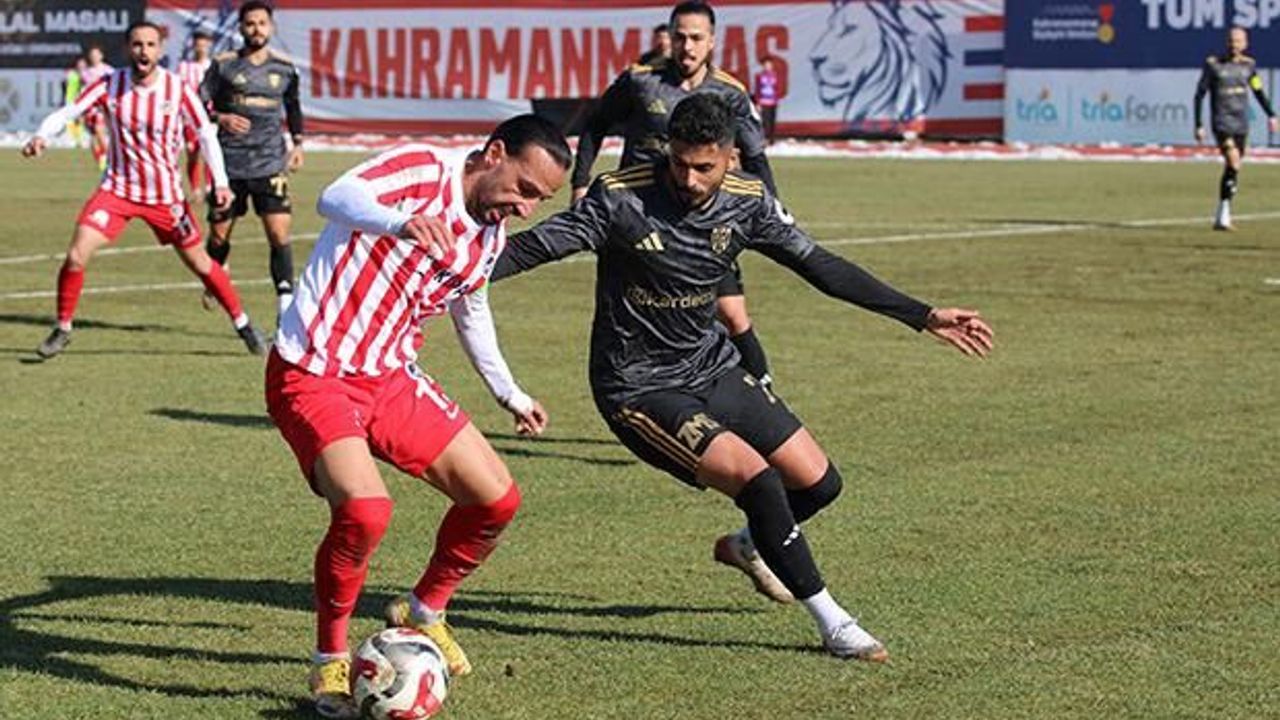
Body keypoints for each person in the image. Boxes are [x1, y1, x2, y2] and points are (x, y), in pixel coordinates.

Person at [491, 94, 993, 661]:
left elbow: (819, 265)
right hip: (638, 386)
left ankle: (751, 544)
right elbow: (536, 247)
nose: (688, 178)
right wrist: (447, 273)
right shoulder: (621, 196)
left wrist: (922, 315)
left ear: (730, 158)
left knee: (820, 484)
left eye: (703, 167)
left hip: (711, 366)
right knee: (760, 483)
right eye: (679, 162)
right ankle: (835, 624)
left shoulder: (748, 201)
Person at [267, 114, 567, 718]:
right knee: (365, 511)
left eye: (540, 199)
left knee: (495, 500)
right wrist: (399, 222)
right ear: (494, 153)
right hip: (314, 370)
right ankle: (330, 660)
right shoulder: (423, 170)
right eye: (524, 188)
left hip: (390, 378)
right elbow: (334, 196)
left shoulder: (488, 237)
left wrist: (508, 392)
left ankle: (424, 610)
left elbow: (471, 309)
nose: (526, 208)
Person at [22, 20, 267, 359]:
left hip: (165, 197)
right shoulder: (110, 84)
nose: (144, 51)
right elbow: (70, 111)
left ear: (160, 50)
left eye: (150, 45)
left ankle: (243, 324)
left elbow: (206, 133)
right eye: (137, 44)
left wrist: (221, 183)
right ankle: (63, 328)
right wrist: (42, 136)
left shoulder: (176, 88)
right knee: (77, 254)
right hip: (117, 191)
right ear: (128, 48)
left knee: (200, 263)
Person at [573, 0, 778, 387]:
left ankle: (764, 394)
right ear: (669, 37)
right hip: (639, 219)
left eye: (696, 38)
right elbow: (595, 123)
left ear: (712, 41)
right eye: (680, 37)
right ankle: (640, 395)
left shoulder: (730, 93)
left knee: (732, 314)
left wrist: (772, 210)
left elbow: (755, 155)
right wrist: (580, 181)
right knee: (637, 314)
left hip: (703, 218)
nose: (687, 46)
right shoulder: (639, 80)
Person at [201, 0, 304, 319]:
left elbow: (293, 107)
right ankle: (216, 275)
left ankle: (285, 305)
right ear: (240, 28)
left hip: (269, 162)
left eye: (261, 23)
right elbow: (197, 105)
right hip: (229, 165)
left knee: (279, 234)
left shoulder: (285, 68)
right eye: (250, 23)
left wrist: (298, 144)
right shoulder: (223, 65)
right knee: (219, 235)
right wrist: (221, 118)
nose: (256, 29)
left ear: (271, 27)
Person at [1194, 26, 1278, 231]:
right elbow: (1199, 94)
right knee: (1233, 159)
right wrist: (1198, 124)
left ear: (1245, 44)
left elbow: (1258, 91)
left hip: (1241, 123)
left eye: (1238, 41)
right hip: (1221, 122)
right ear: (1227, 42)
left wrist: (1271, 115)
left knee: (1234, 167)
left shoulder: (1249, 66)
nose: (1234, 44)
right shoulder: (1213, 65)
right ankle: (1223, 216)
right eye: (1232, 40)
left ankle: (1222, 213)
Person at [176, 29, 215, 199]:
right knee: (192, 153)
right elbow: (178, 91)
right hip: (189, 119)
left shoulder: (213, 67)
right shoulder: (184, 67)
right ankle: (195, 189)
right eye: (198, 45)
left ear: (209, 46)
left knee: (209, 152)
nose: (201, 48)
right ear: (193, 46)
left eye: (204, 45)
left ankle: (209, 187)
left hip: (209, 118)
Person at [80, 45, 113, 171]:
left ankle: (108, 157)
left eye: (96, 54)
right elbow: (82, 90)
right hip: (89, 108)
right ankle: (100, 159)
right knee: (93, 135)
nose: (94, 57)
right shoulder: (86, 73)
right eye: (92, 55)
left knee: (99, 130)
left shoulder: (108, 70)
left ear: (101, 56)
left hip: (101, 106)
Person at [753, 55, 780, 144]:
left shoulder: (775, 75)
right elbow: (757, 89)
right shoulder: (759, 76)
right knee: (765, 121)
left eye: (769, 65)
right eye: (766, 65)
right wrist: (757, 103)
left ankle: (772, 139)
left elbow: (777, 88)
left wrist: (777, 99)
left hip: (773, 102)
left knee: (772, 121)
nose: (768, 66)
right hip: (764, 102)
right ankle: (765, 138)